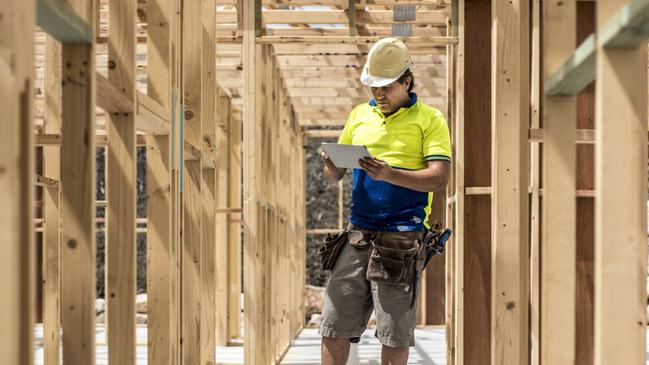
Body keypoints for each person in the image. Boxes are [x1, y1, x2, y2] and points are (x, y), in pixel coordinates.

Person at [318, 37, 452, 365]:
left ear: (407, 81)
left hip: (403, 237)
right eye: (373, 88)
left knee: (393, 330)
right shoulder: (359, 115)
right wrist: (331, 162)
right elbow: (332, 176)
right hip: (357, 233)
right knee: (333, 324)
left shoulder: (430, 119)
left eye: (387, 87)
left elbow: (439, 177)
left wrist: (390, 174)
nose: (379, 95)